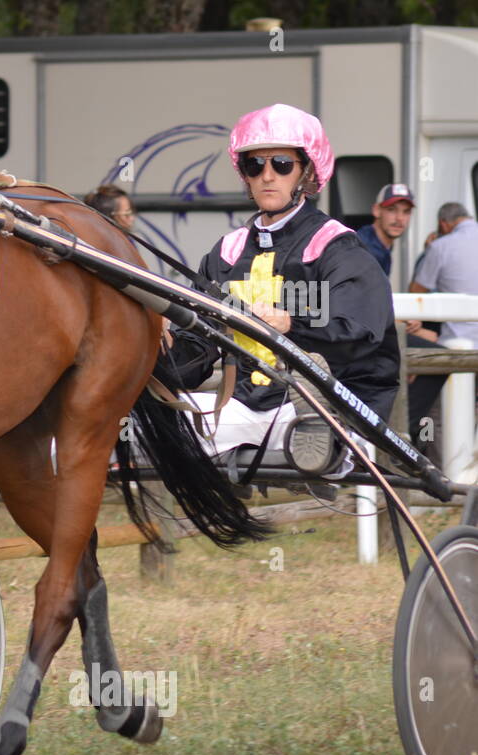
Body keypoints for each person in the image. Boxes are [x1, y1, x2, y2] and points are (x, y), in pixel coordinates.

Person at [180, 103, 398, 477]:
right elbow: (198, 344)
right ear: (245, 175)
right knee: (161, 424)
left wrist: (289, 325)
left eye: (281, 164)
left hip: (340, 398)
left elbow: (359, 333)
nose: (267, 176)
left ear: (307, 172)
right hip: (247, 403)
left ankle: (327, 429)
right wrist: (154, 358)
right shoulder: (225, 254)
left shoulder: (337, 247)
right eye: (254, 165)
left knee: (311, 410)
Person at [353, 185, 446, 444]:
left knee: (429, 350)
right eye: (392, 210)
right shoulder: (367, 247)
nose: (399, 218)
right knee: (437, 358)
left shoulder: (378, 245)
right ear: (376, 211)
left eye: (405, 212)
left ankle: (393, 433)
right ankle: (395, 436)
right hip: (354, 334)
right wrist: (396, 323)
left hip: (366, 330)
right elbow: (357, 301)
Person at [411, 202, 478, 342]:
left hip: (458, 342)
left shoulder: (440, 247)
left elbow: (415, 295)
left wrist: (426, 255)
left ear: (443, 224)